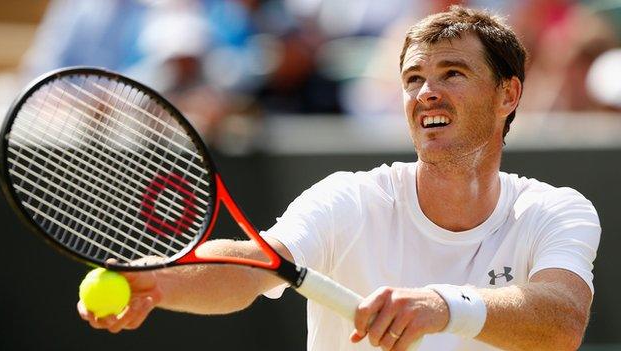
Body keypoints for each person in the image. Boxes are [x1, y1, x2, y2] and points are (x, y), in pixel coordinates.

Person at [78, 6, 601, 351]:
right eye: (413, 79)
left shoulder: (555, 211)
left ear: (508, 95)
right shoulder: (348, 199)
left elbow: (561, 319)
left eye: (452, 74)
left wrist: (442, 307)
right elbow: (253, 267)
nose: (426, 94)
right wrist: (154, 279)